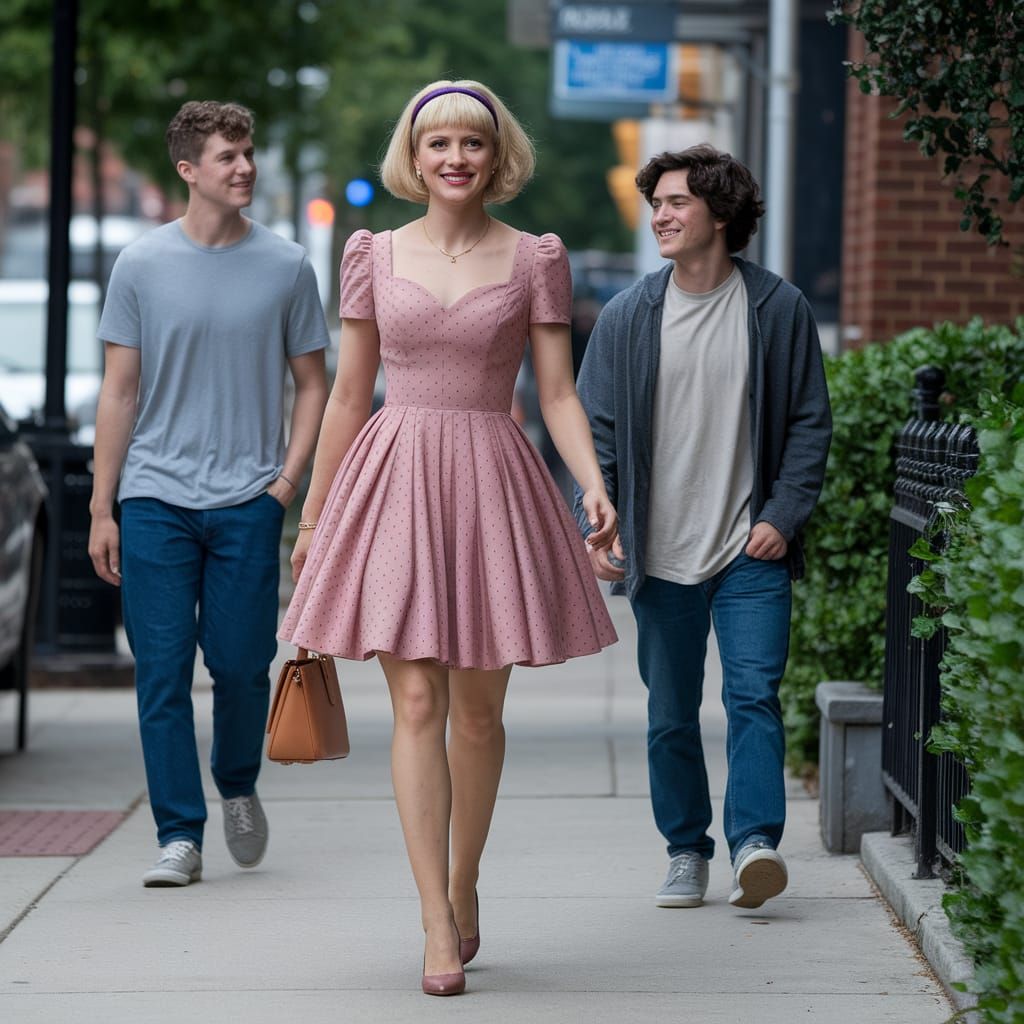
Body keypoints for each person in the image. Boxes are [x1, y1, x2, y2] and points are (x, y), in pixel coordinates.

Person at [279, 79, 618, 996]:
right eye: (439, 145)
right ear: (415, 157)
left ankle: (465, 880)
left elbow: (555, 392)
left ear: (495, 155)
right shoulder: (371, 254)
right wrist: (313, 516)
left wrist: (592, 486)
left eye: (473, 143)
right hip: (393, 478)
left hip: (493, 479)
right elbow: (350, 394)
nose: (456, 159)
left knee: (477, 713)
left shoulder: (537, 257)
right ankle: (435, 918)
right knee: (417, 704)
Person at [575, 144, 831, 912]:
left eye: (678, 202)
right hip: (660, 551)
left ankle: (755, 843)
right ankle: (686, 850)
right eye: (657, 202)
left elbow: (810, 425)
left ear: (721, 215)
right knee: (670, 712)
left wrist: (782, 518)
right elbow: (598, 434)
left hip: (748, 550)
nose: (661, 214)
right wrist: (601, 521)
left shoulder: (777, 308)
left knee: (754, 695)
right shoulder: (628, 317)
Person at [88, 101, 330, 888]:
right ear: (188, 170)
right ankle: (178, 835)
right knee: (160, 672)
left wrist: (286, 486)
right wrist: (103, 503)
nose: (245, 167)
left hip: (247, 503)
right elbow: (118, 391)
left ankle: (236, 781)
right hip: (154, 497)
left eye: (249, 152)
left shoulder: (288, 264)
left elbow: (313, 385)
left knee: (240, 665)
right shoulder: (140, 265)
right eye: (228, 156)